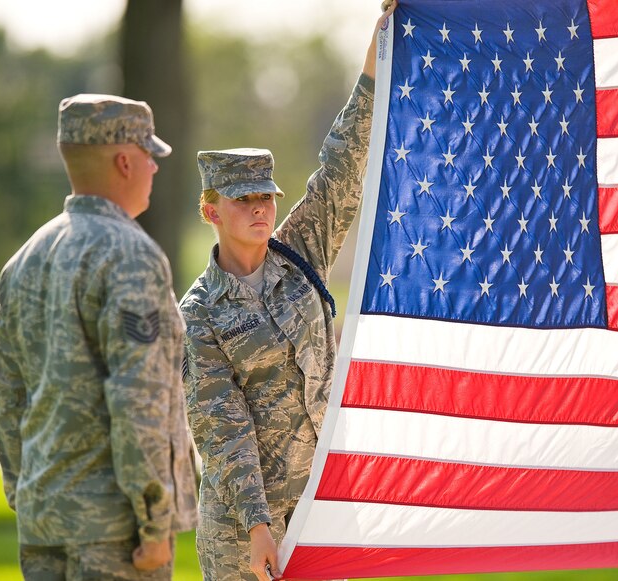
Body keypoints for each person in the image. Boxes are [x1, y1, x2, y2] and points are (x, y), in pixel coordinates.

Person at [179, 2, 397, 580]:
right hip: (244, 531)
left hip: (323, 507)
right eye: (242, 200)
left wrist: (378, 58)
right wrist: (258, 529)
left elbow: (342, 167)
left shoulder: (301, 253)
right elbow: (224, 434)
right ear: (210, 210)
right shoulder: (199, 316)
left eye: (265, 196)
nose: (259, 209)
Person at [0, 94, 198, 580]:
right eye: (149, 155)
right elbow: (138, 398)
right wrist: (153, 524)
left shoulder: (25, 259)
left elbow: (6, 394)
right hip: (114, 536)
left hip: (44, 524)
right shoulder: (131, 255)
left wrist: (27, 494)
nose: (155, 168)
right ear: (124, 161)